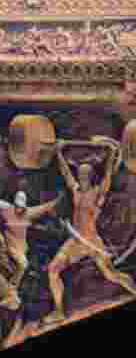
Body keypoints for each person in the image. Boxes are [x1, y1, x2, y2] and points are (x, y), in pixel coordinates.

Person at [45, 139, 136, 324]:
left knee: (110, 274)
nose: (80, 175)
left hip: (91, 241)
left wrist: (111, 156)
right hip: (74, 242)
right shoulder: (76, 191)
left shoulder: (97, 192)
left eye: (84, 173)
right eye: (79, 173)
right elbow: (65, 174)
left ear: (91, 175)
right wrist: (59, 153)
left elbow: (108, 176)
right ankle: (59, 310)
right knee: (53, 270)